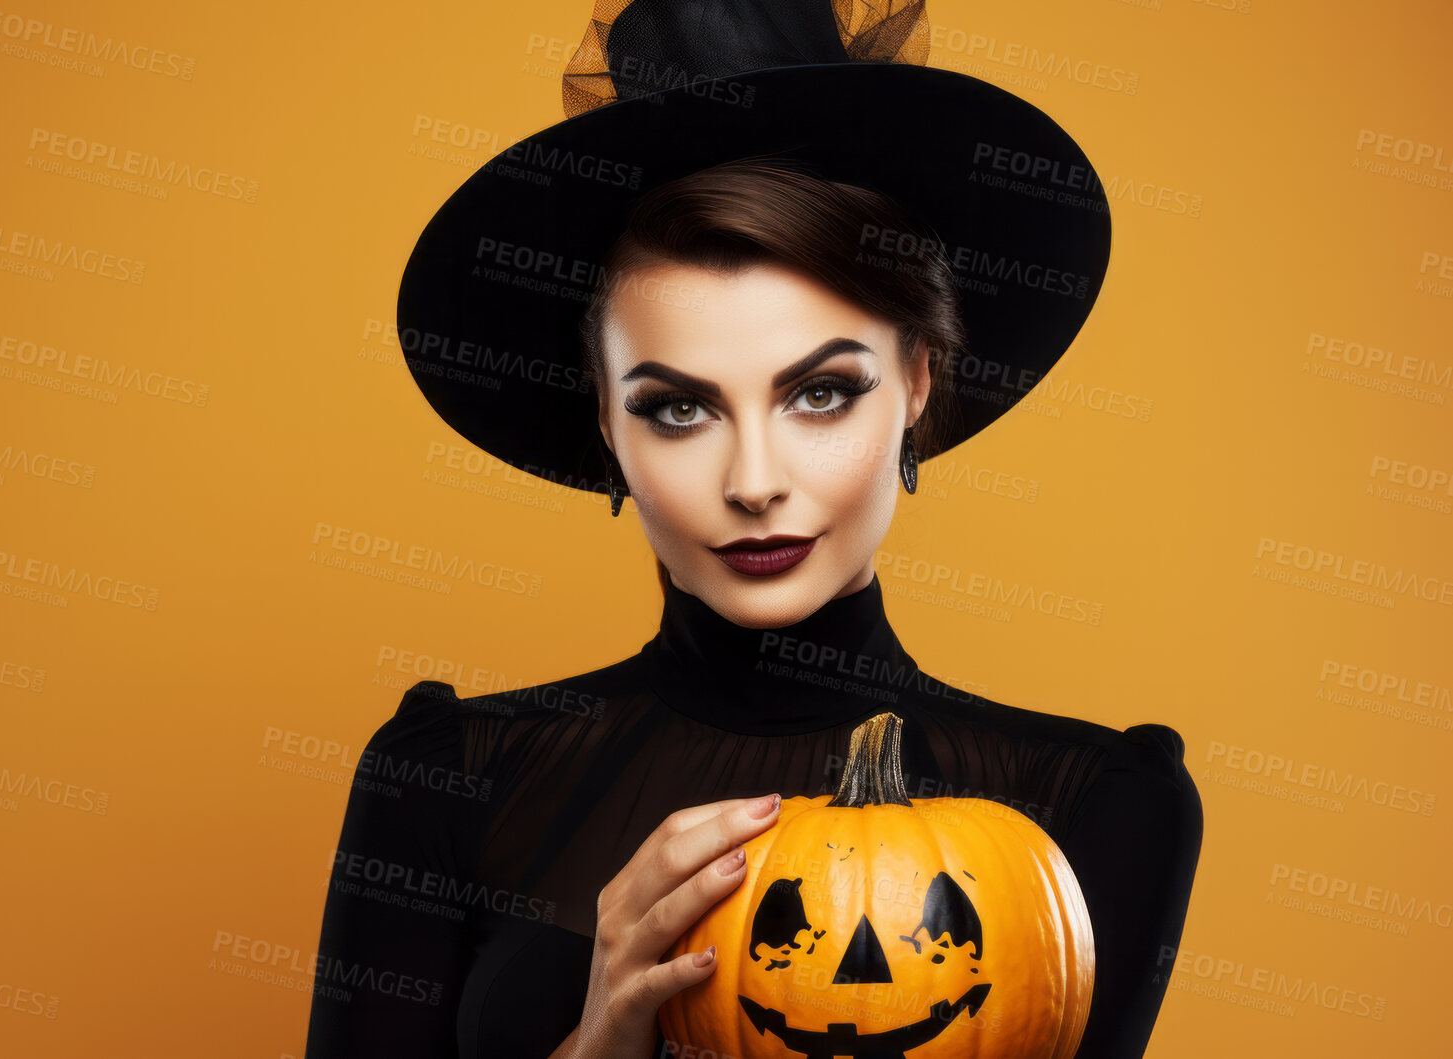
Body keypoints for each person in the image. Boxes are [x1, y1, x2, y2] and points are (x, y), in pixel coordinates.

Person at [307, 3, 1200, 1057]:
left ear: (915, 383)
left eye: (818, 394)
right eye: (677, 407)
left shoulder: (1087, 811)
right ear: (603, 421)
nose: (753, 481)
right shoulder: (450, 778)